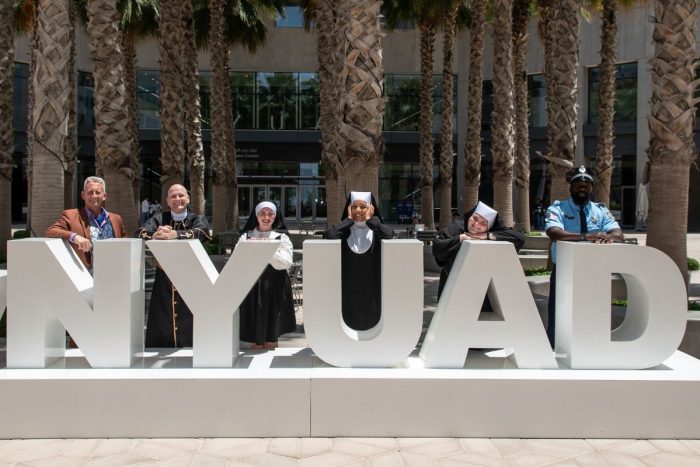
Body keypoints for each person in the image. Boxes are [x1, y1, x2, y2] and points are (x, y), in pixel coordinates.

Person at [545, 165, 623, 347]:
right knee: (559, 312)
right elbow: (554, 232)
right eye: (578, 185)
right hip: (565, 270)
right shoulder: (558, 208)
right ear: (571, 188)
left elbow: (618, 235)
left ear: (591, 188)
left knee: (593, 310)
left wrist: (607, 237)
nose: (582, 188)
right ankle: (555, 348)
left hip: (594, 270)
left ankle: (590, 347)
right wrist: (586, 237)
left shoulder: (601, 211)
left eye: (586, 186)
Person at [136, 184, 211, 348]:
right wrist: (154, 234)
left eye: (181, 195)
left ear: (188, 198)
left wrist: (176, 234)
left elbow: (203, 233)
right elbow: (140, 232)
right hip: (164, 276)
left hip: (191, 277)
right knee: (163, 316)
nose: (177, 199)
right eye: (173, 197)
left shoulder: (197, 217)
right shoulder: (158, 218)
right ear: (167, 201)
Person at [323, 191, 394, 330]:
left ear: (371, 208)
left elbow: (389, 235)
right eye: (354, 206)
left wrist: (371, 220)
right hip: (348, 288)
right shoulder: (343, 230)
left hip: (373, 288)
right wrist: (348, 220)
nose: (358, 210)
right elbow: (329, 235)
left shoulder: (376, 229)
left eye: (363, 206)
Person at [432, 201, 525, 300]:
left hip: (483, 289)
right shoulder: (458, 226)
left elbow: (520, 238)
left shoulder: (493, 232)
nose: (476, 224)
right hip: (452, 285)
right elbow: (437, 247)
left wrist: (487, 236)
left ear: (489, 227)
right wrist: (460, 238)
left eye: (483, 223)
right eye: (475, 218)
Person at [237, 201, 296, 350]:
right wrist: (264, 248)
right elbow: (239, 260)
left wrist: (263, 248)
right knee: (254, 335)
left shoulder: (282, 238)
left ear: (275, 217)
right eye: (262, 213)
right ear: (256, 216)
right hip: (252, 287)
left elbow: (285, 263)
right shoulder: (246, 236)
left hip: (275, 287)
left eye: (270, 214)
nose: (266, 217)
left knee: (272, 334)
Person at [45, 176, 127, 272]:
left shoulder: (116, 219)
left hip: (113, 273)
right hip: (85, 275)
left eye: (98, 192)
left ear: (104, 196)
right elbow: (50, 231)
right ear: (83, 195)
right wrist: (74, 236)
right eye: (90, 192)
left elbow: (124, 243)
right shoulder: (71, 216)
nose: (94, 196)